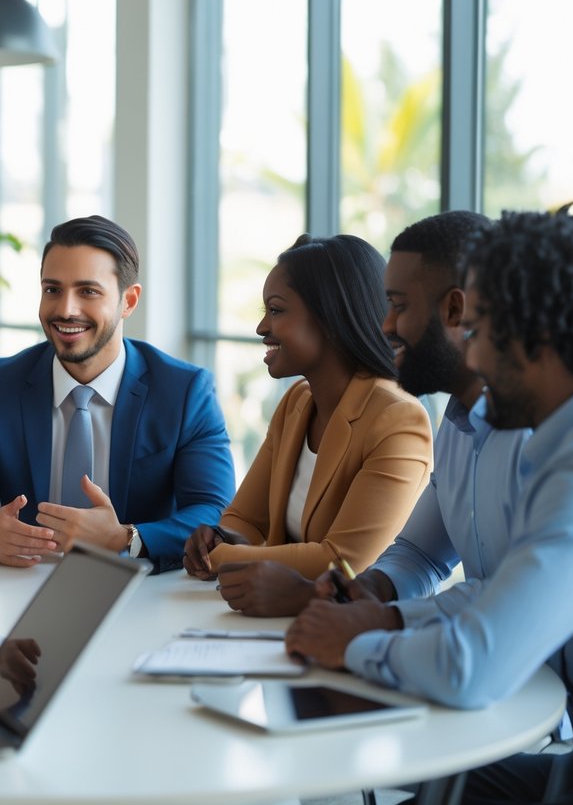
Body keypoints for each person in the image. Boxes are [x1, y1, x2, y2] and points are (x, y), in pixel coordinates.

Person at [286, 210, 573, 804]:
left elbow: (471, 667)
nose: (471, 360)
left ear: (534, 337)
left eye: (477, 332)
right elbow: (498, 591)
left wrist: (350, 643)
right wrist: (383, 617)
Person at [214, 211, 531, 618]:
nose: (384, 325)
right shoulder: (457, 424)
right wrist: (338, 601)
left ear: (456, 310)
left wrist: (325, 601)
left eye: (398, 306)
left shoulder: (546, 441)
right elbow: (418, 556)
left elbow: (504, 604)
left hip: (542, 674)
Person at [0, 215, 236, 568]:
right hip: (20, 582)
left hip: (141, 591)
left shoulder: (184, 392)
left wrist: (127, 538)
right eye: (52, 290)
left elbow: (216, 513)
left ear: (128, 301)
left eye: (88, 291)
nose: (65, 310)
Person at [183, 234, 433, 587]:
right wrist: (216, 538)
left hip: (352, 628)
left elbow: (344, 561)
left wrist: (222, 556)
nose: (262, 328)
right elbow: (245, 519)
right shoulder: (297, 402)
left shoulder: (398, 419)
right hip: (273, 612)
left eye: (276, 310)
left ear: (330, 318)